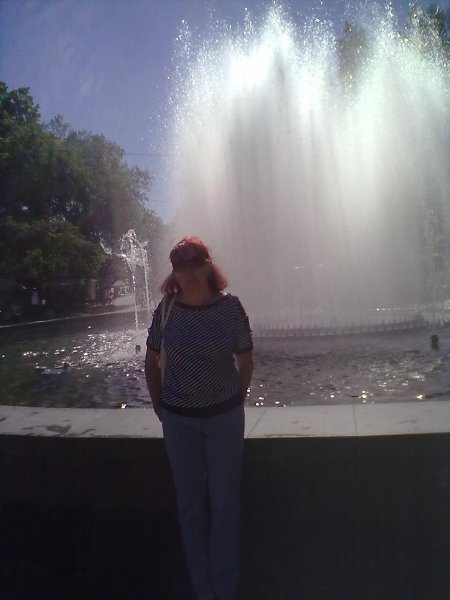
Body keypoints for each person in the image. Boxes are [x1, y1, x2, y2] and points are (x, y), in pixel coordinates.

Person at [145, 236, 253, 600]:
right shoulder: (167, 309)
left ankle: (225, 587)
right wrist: (159, 404)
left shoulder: (230, 308)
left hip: (224, 419)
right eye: (180, 265)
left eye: (194, 263)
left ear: (208, 265)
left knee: (225, 505)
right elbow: (151, 359)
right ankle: (203, 588)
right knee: (190, 507)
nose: (187, 271)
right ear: (174, 272)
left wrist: (236, 400)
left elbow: (246, 359)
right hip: (179, 422)